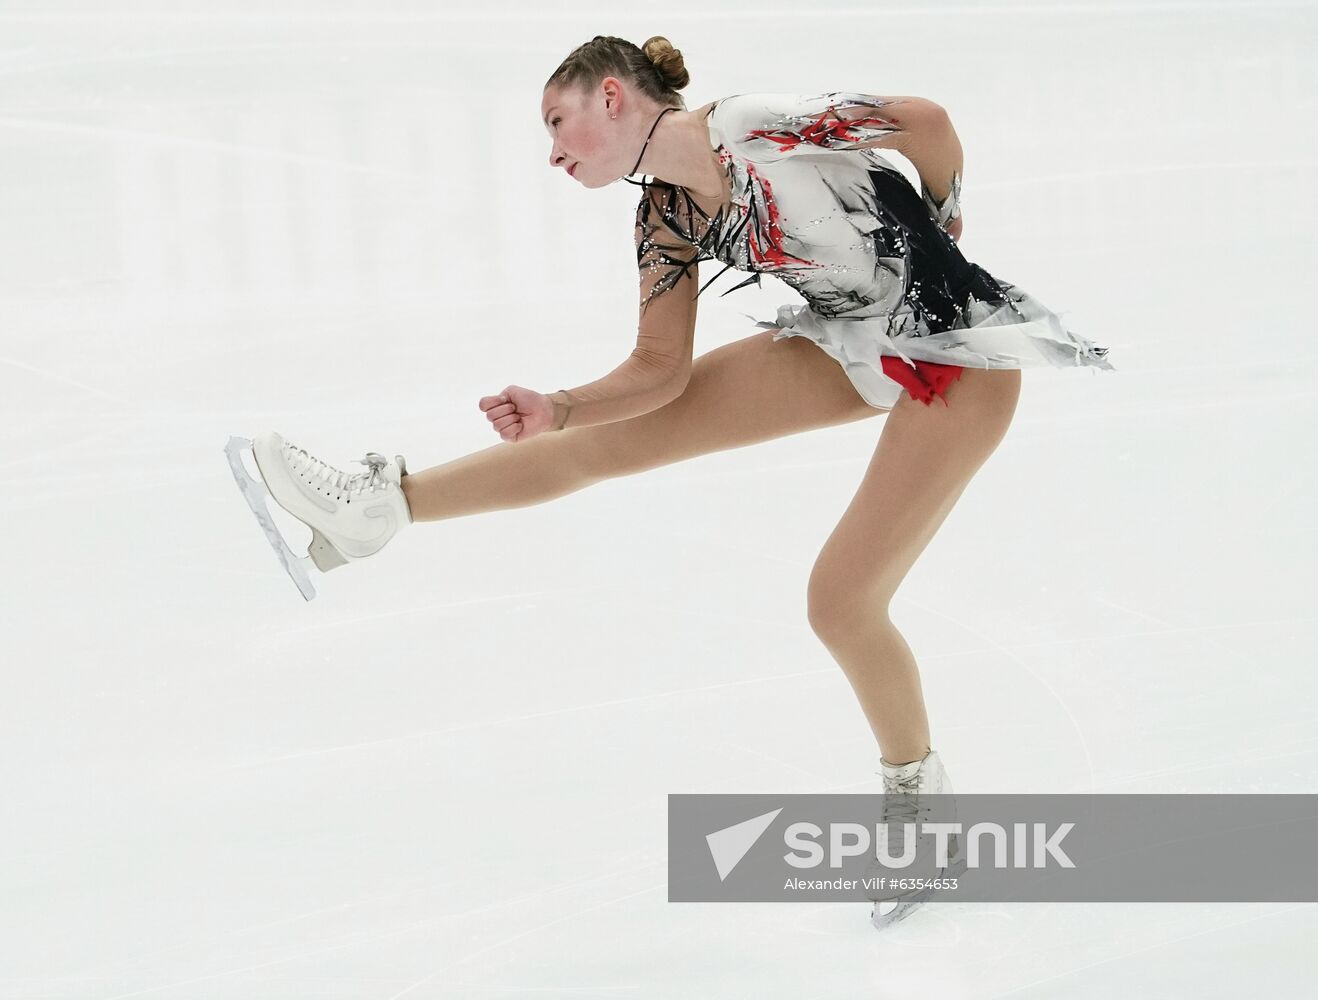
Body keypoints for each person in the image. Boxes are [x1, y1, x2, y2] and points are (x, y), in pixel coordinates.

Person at [227, 34, 1113, 930]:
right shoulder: (666, 217)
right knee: (602, 441)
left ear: (612, 97)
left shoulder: (755, 127)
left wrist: (944, 220)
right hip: (847, 338)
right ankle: (379, 509)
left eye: (557, 121)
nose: (553, 151)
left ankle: (923, 809)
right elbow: (659, 370)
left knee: (841, 601)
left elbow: (925, 121)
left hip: (958, 347)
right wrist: (561, 406)